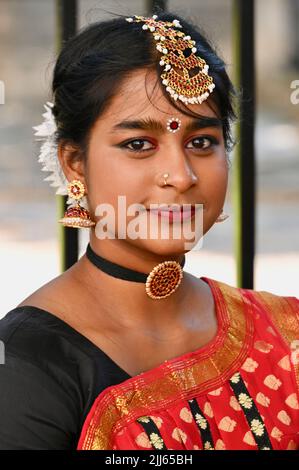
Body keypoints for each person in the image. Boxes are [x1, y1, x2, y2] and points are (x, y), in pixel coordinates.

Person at [0, 12, 298, 451]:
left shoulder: (283, 333)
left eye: (201, 142)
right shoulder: (27, 363)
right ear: (74, 163)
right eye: (138, 144)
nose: (180, 175)